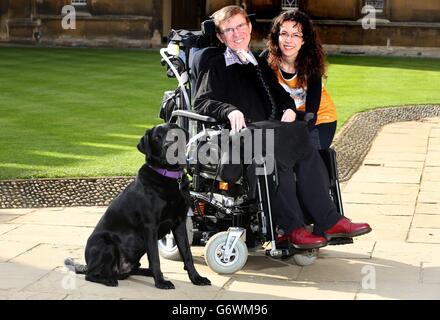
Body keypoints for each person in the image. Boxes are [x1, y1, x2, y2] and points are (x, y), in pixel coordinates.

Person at [194, 5, 371, 249]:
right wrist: (230, 110)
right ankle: (294, 228)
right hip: (239, 137)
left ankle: (324, 222)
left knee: (299, 138)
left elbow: (282, 96)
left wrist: (288, 108)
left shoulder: (258, 64)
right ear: (220, 36)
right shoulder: (216, 62)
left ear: (249, 28)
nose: (236, 34)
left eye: (240, 27)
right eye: (228, 30)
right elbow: (202, 101)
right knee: (281, 146)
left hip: (267, 133)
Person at [264, 10, 337, 150]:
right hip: (288, 115)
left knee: (307, 155)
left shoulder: (312, 65)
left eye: (295, 35)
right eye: (284, 34)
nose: (288, 40)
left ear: (303, 40)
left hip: (320, 118)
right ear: (276, 36)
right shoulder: (268, 60)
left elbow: (312, 113)